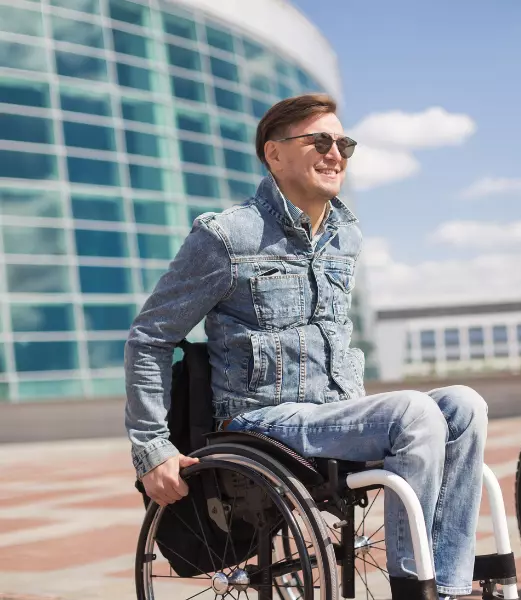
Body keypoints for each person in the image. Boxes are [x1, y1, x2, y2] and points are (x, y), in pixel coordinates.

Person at [124, 93, 487, 599]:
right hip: (259, 422)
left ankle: (445, 588)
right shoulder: (227, 236)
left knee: (465, 406)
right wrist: (151, 448)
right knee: (413, 413)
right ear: (274, 154)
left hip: (334, 415)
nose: (335, 152)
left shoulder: (346, 236)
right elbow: (150, 336)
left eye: (344, 143)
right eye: (319, 141)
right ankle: (414, 591)